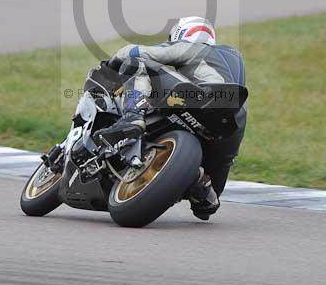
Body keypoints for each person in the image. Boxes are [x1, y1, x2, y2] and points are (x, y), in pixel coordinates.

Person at [95, 16, 247, 221]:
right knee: (209, 203)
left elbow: (135, 52)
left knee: (137, 63)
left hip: (199, 97)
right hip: (231, 124)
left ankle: (132, 116)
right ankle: (201, 184)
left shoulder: (192, 47)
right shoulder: (233, 61)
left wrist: (111, 64)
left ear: (182, 33)